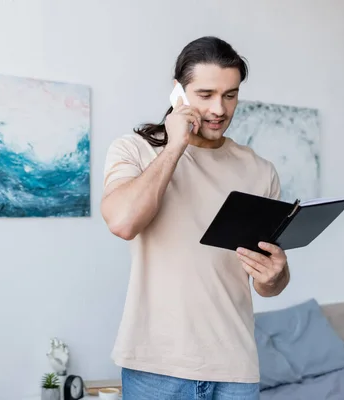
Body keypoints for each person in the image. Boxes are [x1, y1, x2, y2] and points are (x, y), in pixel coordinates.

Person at [100, 36, 290, 400]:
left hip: (236, 370)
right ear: (178, 93)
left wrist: (276, 274)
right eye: (205, 95)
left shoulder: (260, 171)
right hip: (155, 367)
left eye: (230, 95)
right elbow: (122, 222)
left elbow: (268, 284)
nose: (219, 109)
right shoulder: (134, 150)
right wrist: (174, 145)